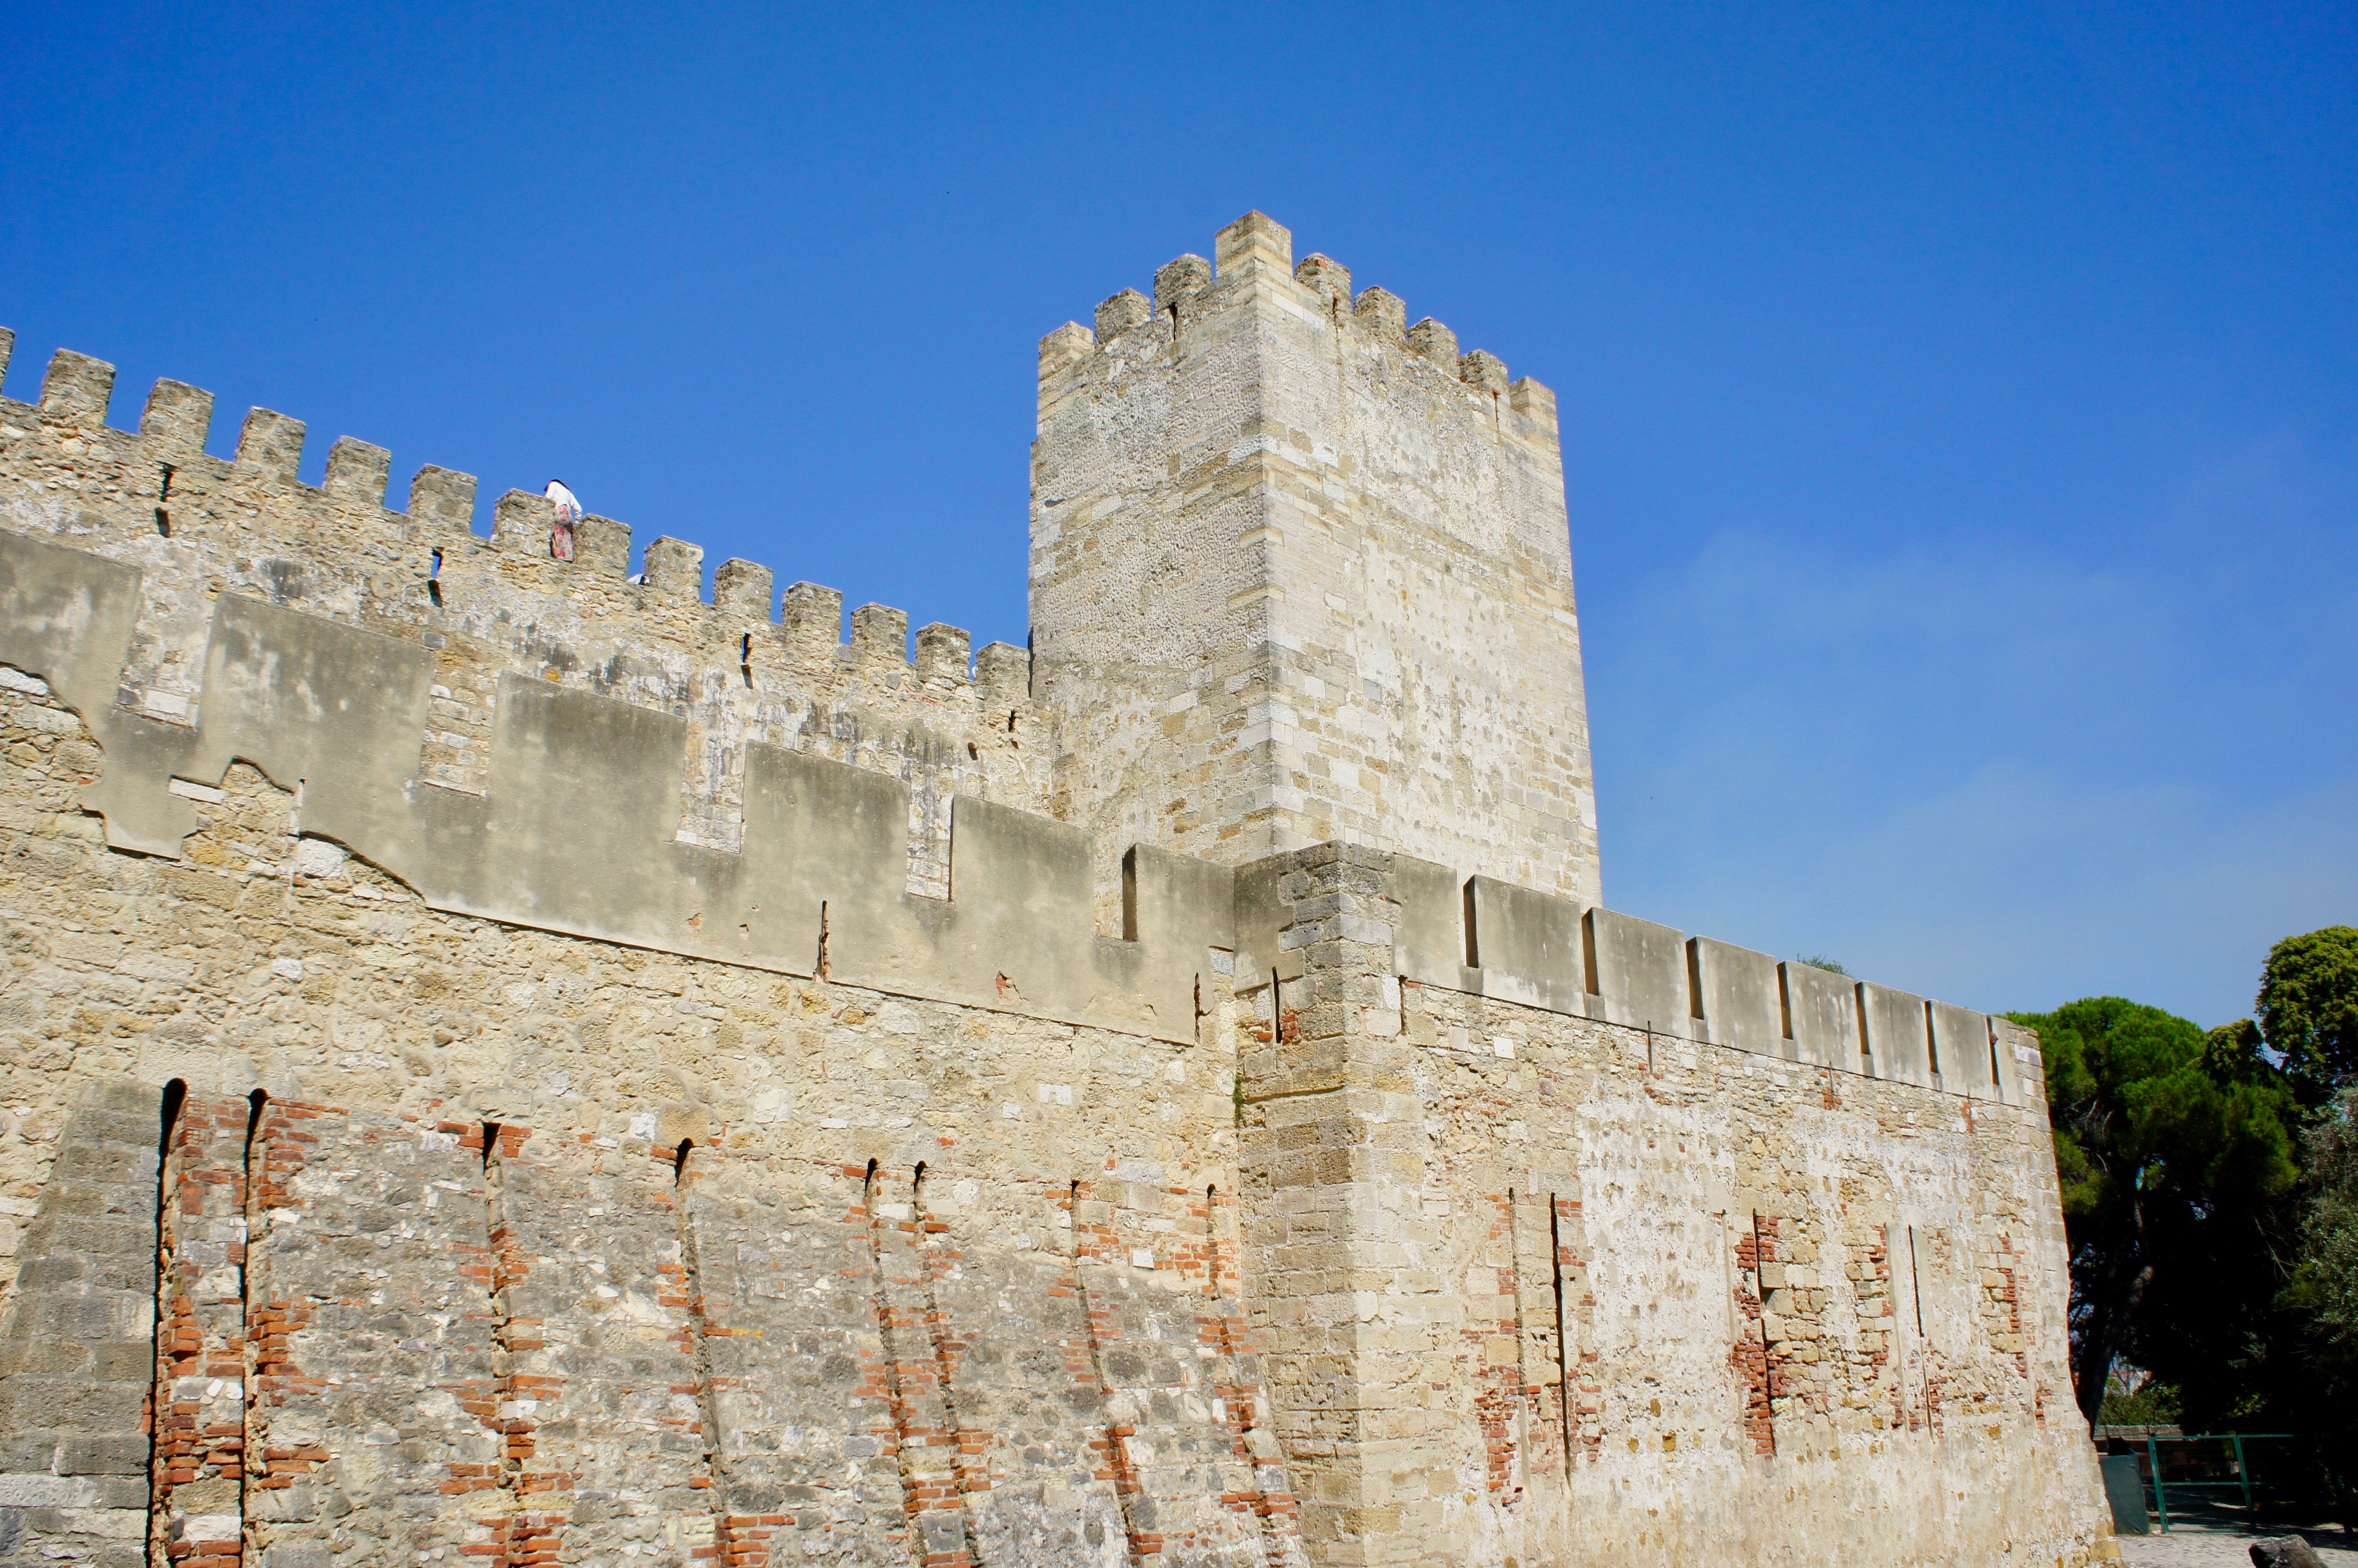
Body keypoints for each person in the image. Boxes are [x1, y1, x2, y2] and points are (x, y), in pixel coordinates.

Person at [545, 480, 582, 561]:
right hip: (568, 516)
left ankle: (558, 559)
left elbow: (548, 499)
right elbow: (579, 508)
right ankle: (568, 559)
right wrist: (577, 522)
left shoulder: (553, 484)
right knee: (567, 539)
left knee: (554, 538)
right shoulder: (568, 492)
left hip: (559, 513)